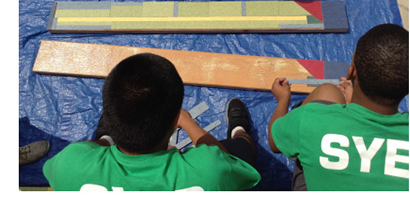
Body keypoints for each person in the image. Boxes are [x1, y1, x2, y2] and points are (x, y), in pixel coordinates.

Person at [43, 53, 261, 191]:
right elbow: (223, 160)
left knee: (100, 143)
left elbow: (61, 176)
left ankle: (107, 137)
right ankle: (238, 130)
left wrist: (104, 142)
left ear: (110, 115)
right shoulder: (211, 170)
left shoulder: (69, 164)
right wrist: (187, 121)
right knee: (242, 149)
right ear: (174, 122)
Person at [267, 23, 409, 191]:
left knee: (327, 91)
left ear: (351, 72)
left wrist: (283, 99)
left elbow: (274, 143)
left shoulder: (310, 119)